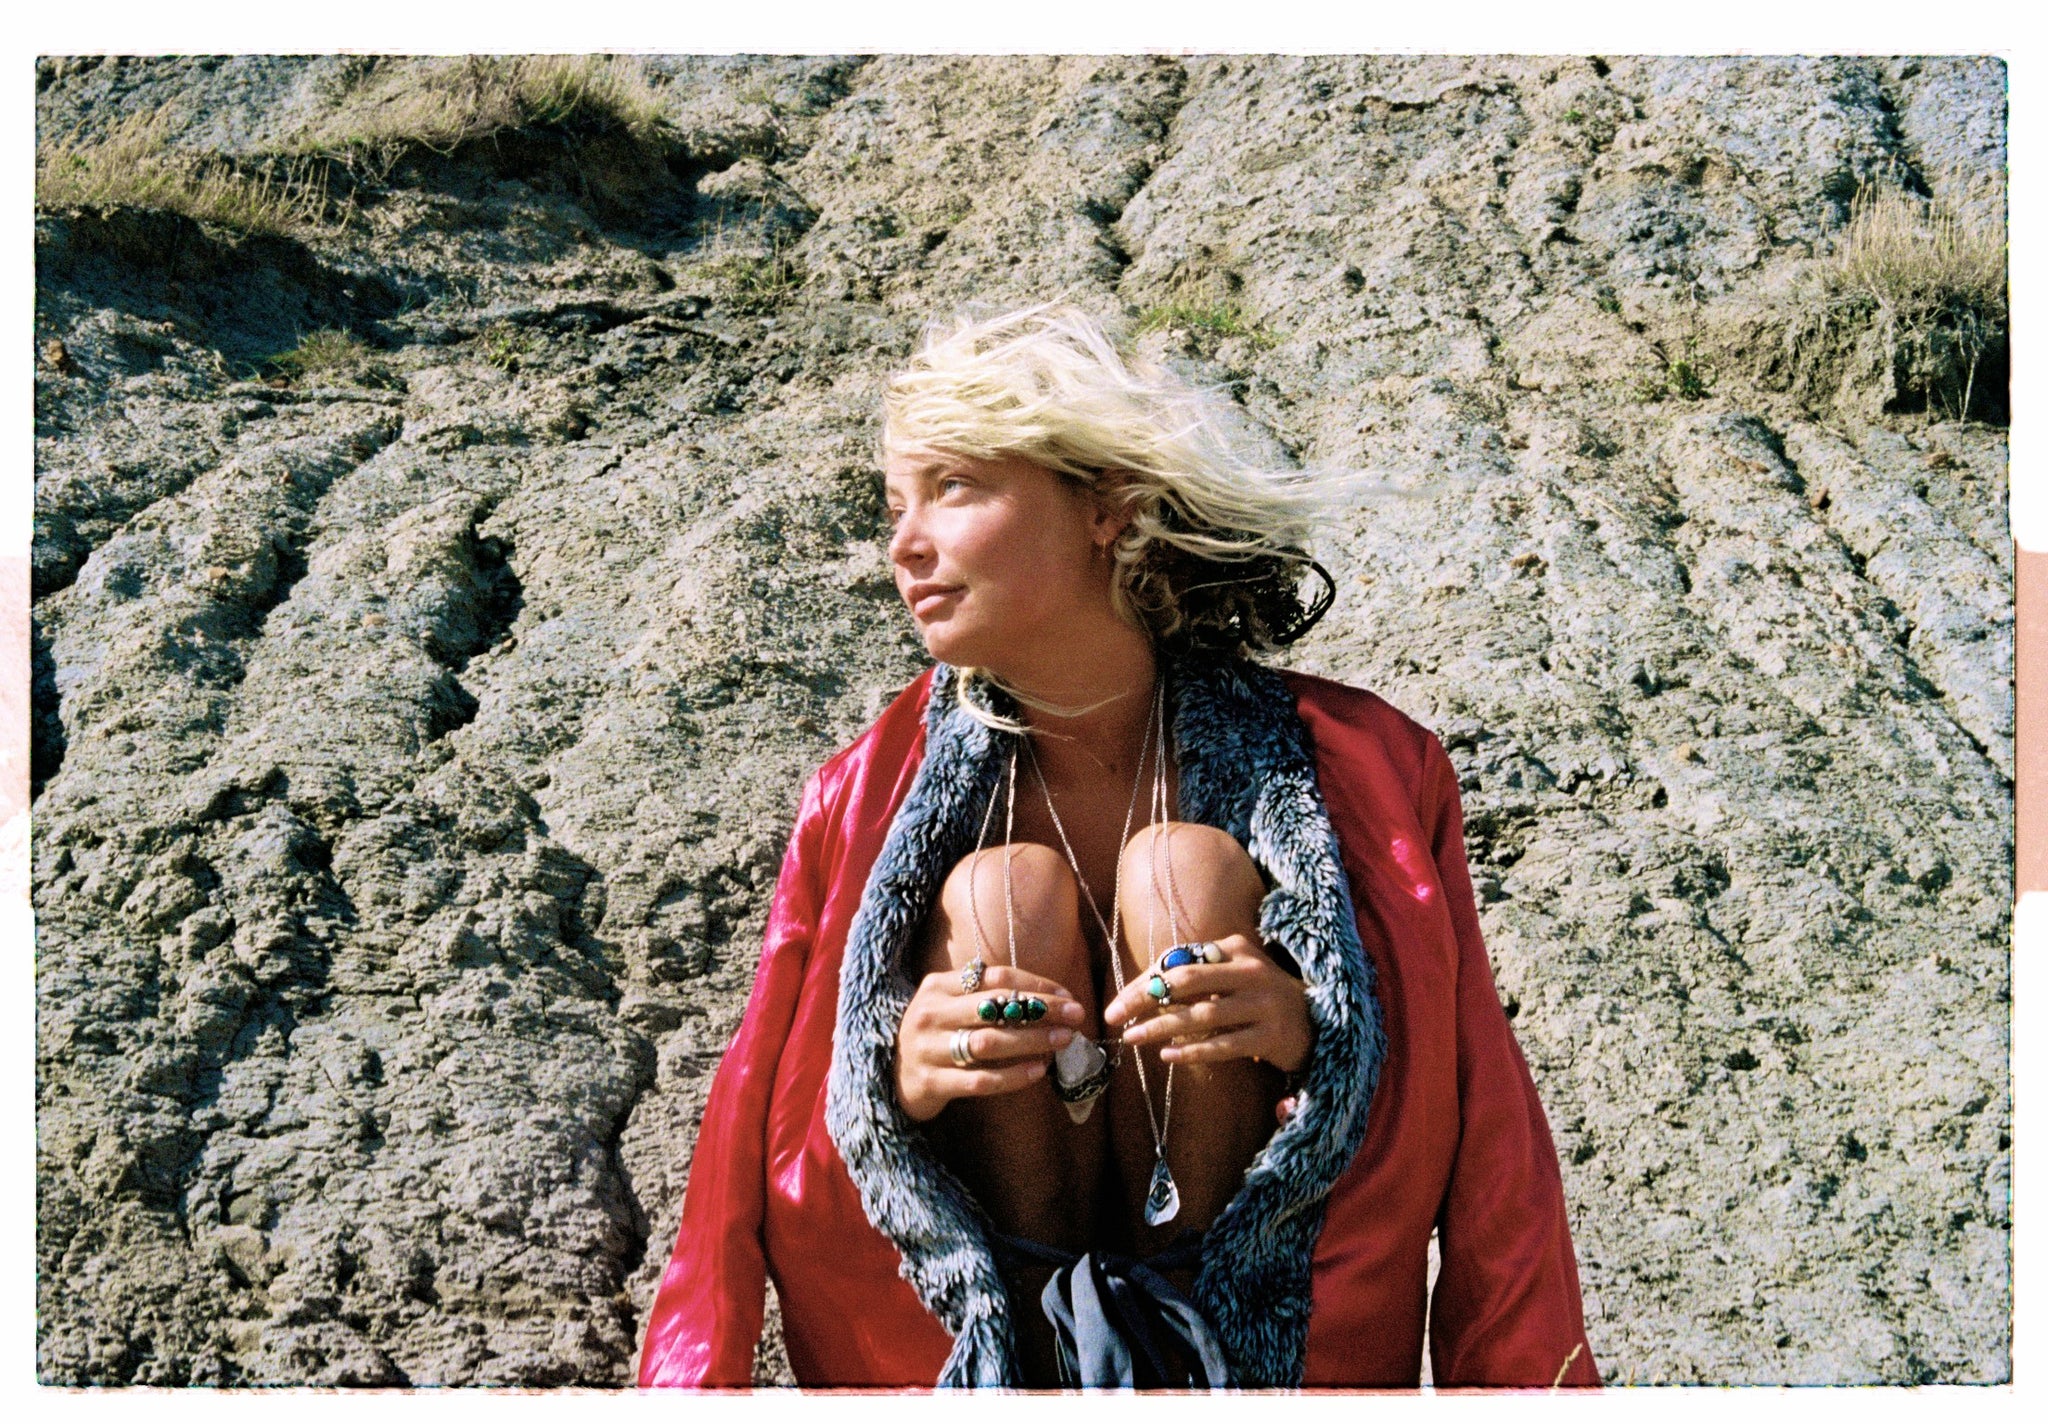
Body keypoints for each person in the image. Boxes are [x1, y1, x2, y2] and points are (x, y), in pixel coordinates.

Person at [636, 301, 1599, 1390]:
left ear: (1106, 508)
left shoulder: (1365, 763)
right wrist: (896, 1072)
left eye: (952, 488)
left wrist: (1299, 1029)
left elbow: (1479, 1121)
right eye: (894, 502)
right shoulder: (860, 791)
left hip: (1256, 1341)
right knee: (1004, 889)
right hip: (972, 1331)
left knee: (1178, 873)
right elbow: (754, 1119)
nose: (902, 544)